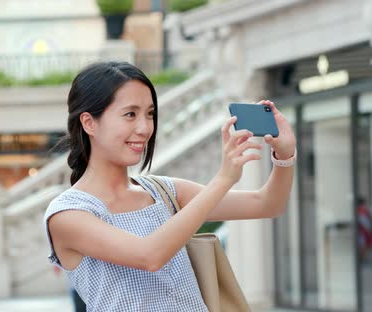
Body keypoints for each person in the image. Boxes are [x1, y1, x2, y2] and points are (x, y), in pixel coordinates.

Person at [43, 61, 296, 311]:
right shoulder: (67, 214)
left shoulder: (163, 192)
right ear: (89, 123)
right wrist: (223, 178)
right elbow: (149, 256)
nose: (144, 128)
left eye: (150, 114)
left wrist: (285, 155)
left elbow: (267, 204)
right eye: (130, 114)